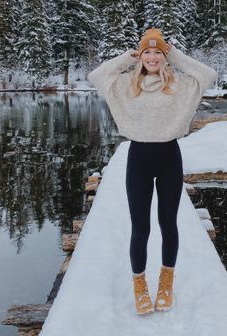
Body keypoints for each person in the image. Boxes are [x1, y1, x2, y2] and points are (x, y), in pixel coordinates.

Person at [88, 28, 217, 316]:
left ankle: (166, 283)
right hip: (139, 159)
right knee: (140, 227)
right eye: (147, 51)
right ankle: (140, 286)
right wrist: (127, 57)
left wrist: (177, 55)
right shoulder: (126, 86)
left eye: (158, 51)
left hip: (169, 156)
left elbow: (207, 75)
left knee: (168, 223)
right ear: (140, 55)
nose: (152, 56)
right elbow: (96, 76)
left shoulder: (179, 85)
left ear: (165, 56)